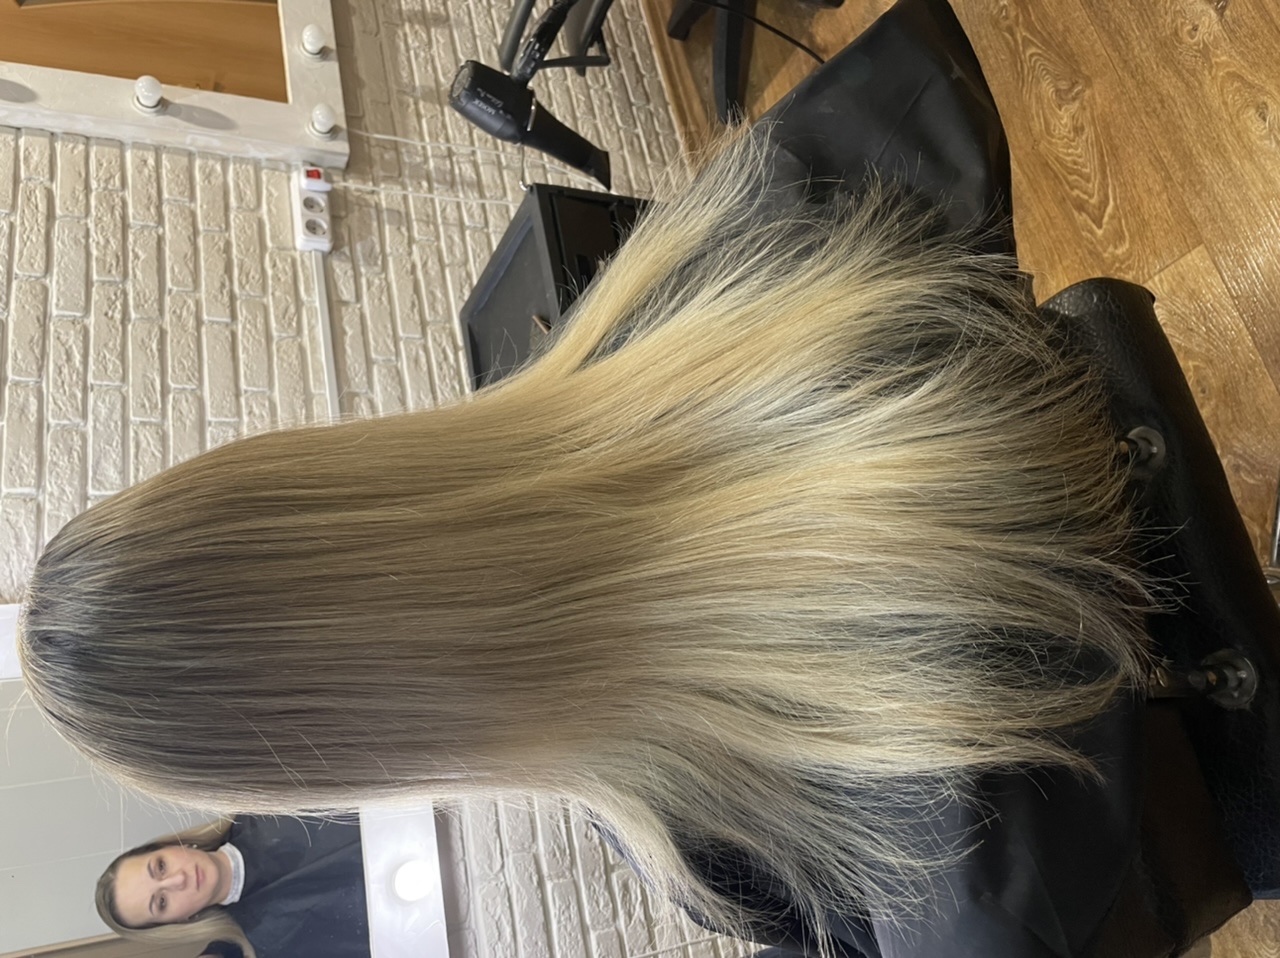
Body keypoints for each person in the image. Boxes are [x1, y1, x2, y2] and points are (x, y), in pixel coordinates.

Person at [17, 2, 1174, 954]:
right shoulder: (660, 308)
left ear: (338, 747)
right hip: (1098, 423)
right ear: (298, 482)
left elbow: (1013, 914)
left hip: (1150, 665)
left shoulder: (708, 838)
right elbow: (919, 89)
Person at [95, 816, 369, 958]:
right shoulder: (273, 947)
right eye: (162, 901)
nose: (179, 880)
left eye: (161, 867)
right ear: (180, 921)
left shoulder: (265, 798)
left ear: (170, 846)